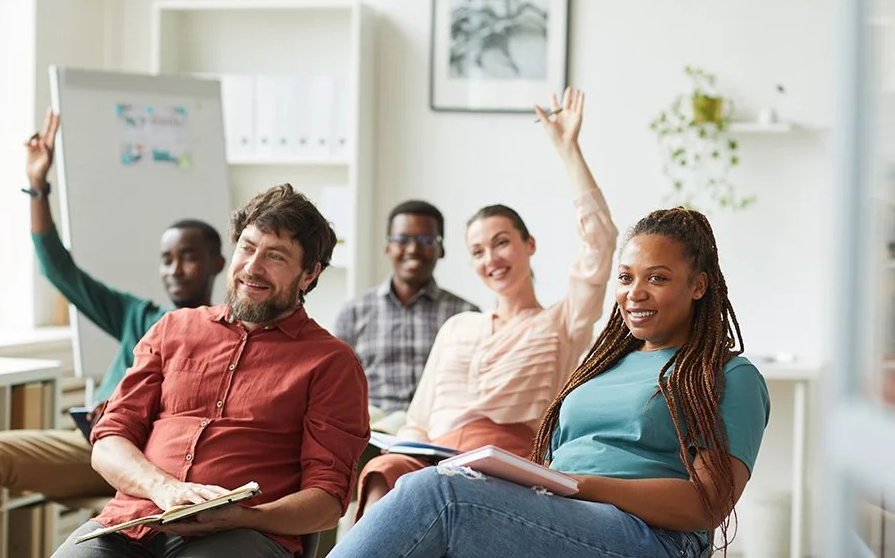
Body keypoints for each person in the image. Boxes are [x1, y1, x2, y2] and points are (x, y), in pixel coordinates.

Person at [329, 202, 772, 558]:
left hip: (650, 537)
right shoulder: (603, 365)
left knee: (439, 496)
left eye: (657, 278)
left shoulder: (728, 376)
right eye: (626, 277)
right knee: (414, 486)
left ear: (698, 286)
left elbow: (708, 504)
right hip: (564, 511)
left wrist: (583, 485)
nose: (635, 292)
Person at [52, 183, 371, 558]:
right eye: (247, 248)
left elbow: (328, 500)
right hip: (132, 524)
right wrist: (163, 488)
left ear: (308, 274)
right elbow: (108, 443)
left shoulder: (332, 363)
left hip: (242, 537)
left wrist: (244, 516)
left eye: (276, 256)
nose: (253, 267)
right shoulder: (173, 328)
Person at [356, 87, 619, 517]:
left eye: (501, 244)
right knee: (384, 472)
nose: (491, 259)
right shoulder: (459, 326)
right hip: (430, 457)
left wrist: (568, 150)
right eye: (478, 251)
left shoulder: (561, 323)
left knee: (448, 493)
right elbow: (420, 418)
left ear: (528, 244)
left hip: (503, 468)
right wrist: (405, 444)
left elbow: (600, 241)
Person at [0, 109, 225, 550]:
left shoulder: (227, 338)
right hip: (91, 447)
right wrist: (38, 187)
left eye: (188, 256)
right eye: (166, 258)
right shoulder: (135, 315)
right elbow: (59, 270)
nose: (175, 269)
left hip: (157, 464)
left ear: (217, 263)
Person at [334, 200, 478, 417]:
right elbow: (338, 388)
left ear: (441, 249)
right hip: (371, 433)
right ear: (388, 247)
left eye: (427, 240)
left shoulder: (466, 316)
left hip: (439, 435)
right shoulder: (354, 313)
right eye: (402, 239)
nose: (413, 249)